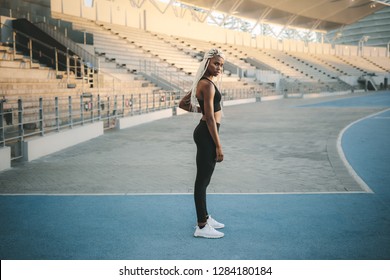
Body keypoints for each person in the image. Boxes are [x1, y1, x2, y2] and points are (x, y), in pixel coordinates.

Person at [179, 48, 225, 238]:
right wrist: (219, 146)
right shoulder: (207, 85)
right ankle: (202, 225)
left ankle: (205, 216)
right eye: (216, 63)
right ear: (206, 63)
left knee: (205, 180)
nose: (219, 67)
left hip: (206, 132)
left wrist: (204, 113)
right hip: (207, 133)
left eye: (221, 65)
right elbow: (210, 119)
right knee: (202, 181)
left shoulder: (204, 82)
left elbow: (183, 103)